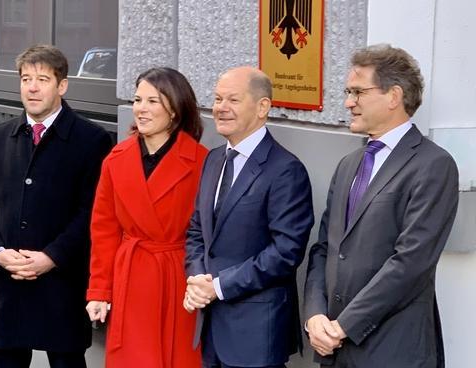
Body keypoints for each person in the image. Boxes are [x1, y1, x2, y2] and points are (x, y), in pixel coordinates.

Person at [303, 44, 459, 368]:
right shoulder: (349, 164)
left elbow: (410, 264)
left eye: (358, 92)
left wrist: (344, 326)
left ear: (394, 96)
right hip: (335, 351)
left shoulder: (433, 165)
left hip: (393, 351)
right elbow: (324, 249)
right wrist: (315, 314)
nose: (348, 102)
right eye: (348, 91)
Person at [0, 44, 113, 368]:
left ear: (62, 85)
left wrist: (51, 257)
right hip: (11, 283)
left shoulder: (92, 140)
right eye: (25, 78)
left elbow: (92, 214)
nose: (32, 87)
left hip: (62, 286)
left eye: (43, 79)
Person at [184, 66, 314, 368]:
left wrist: (218, 287)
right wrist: (197, 278)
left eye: (233, 100)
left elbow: (285, 253)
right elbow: (196, 231)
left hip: (255, 334)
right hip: (211, 329)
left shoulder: (285, 170)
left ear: (262, 107)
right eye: (217, 99)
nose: (221, 108)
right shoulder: (214, 159)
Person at [85, 67, 207, 368]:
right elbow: (104, 229)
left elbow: (208, 231)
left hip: (179, 280)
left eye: (153, 101)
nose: (141, 109)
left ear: (175, 110)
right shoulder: (116, 159)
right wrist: (99, 291)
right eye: (138, 100)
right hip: (132, 277)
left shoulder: (202, 161)